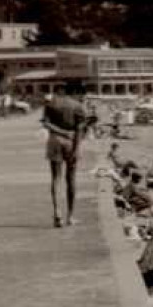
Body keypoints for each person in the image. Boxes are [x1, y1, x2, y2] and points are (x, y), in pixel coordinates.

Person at [42, 93, 93, 228]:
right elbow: (79, 129)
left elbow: (46, 123)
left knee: (55, 178)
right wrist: (76, 148)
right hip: (71, 142)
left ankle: (57, 212)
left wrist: (60, 132)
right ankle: (70, 216)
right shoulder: (78, 106)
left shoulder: (52, 103)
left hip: (54, 140)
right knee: (71, 179)